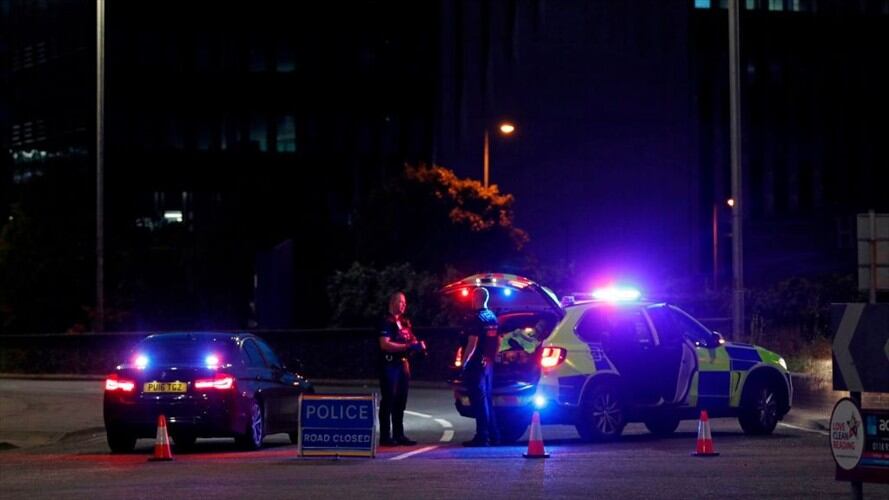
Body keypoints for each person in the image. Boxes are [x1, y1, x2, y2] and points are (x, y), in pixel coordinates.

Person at [378, 291, 425, 446]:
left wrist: (418, 346)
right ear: (393, 303)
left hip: (403, 364)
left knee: (401, 400)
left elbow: (411, 339)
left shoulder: (405, 321)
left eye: (405, 302)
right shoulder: (385, 321)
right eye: (401, 302)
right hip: (389, 364)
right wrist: (407, 346)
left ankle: (399, 434)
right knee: (389, 399)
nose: (404, 305)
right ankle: (385, 436)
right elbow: (384, 344)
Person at [460, 287, 500, 447]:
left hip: (477, 364)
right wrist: (492, 358)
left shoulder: (476, 319)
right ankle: (494, 435)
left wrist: (464, 364)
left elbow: (472, 344)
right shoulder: (492, 317)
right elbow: (498, 341)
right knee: (487, 400)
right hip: (488, 364)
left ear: (476, 298)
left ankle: (482, 436)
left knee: (478, 401)